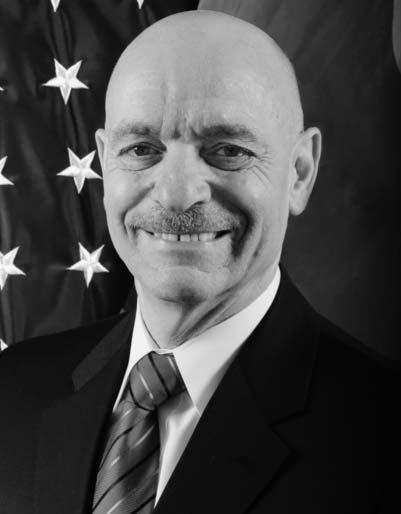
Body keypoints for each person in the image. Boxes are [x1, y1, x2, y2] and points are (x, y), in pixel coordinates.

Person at [0, 10, 399, 514]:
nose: (176, 194)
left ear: (299, 172)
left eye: (227, 150)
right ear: (104, 163)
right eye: (141, 149)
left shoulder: (384, 438)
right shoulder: (14, 390)